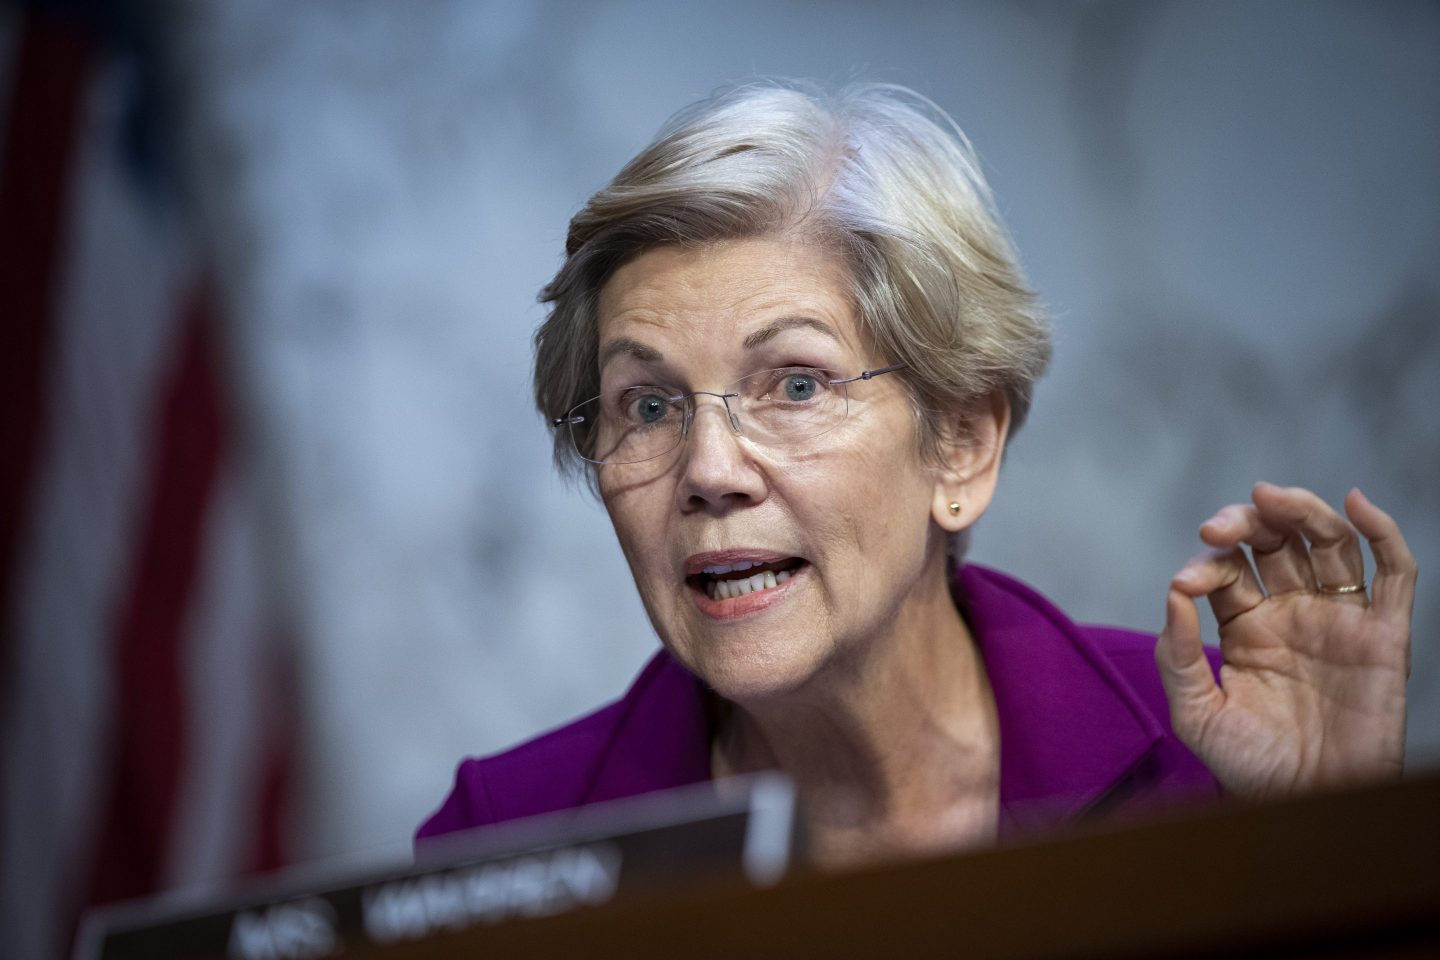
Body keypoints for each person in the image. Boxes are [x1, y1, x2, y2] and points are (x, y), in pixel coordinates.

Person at [417, 81, 1415, 868]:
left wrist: (1331, 848)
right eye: (648, 405)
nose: (710, 471)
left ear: (962, 447)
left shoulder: (1207, 761)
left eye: (796, 385)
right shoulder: (510, 840)